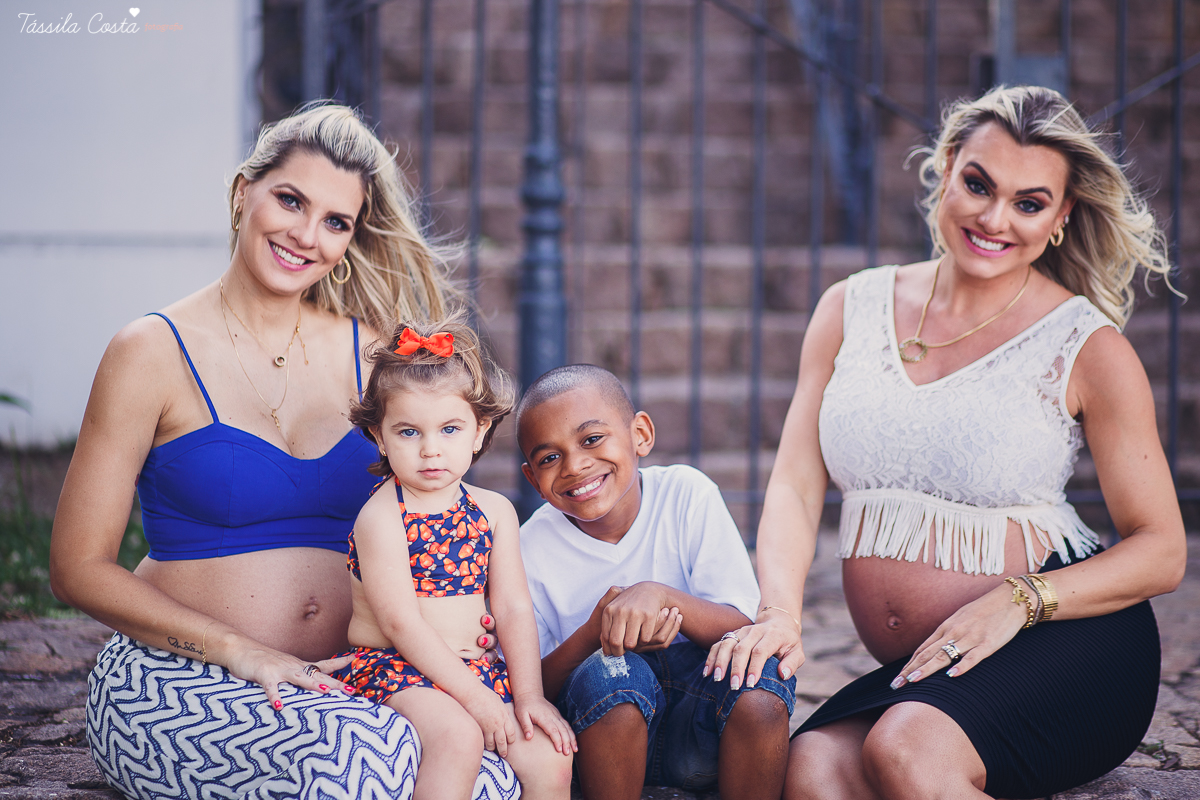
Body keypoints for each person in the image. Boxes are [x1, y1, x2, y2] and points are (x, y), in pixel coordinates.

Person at [706, 85, 1186, 799]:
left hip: (1069, 642)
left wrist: (1018, 599)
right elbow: (796, 483)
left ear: (1060, 218)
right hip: (936, 672)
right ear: (946, 168)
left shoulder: (1086, 346)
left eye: (1029, 202)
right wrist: (779, 612)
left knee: (905, 750)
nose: (995, 218)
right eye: (978, 184)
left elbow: (1162, 549)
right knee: (812, 772)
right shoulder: (850, 308)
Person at [49, 104, 520, 799]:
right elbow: (75, 569)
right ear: (245, 193)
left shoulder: (375, 355)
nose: (306, 235)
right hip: (182, 675)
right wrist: (239, 649)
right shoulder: (149, 351)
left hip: (355, 674)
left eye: (336, 222)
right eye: (290, 200)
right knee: (358, 769)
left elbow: (439, 499)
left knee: (496, 773)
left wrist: (454, 617)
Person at [515, 364, 797, 800]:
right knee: (614, 673)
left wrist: (666, 599)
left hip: (704, 728)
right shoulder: (529, 546)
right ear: (533, 479)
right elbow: (531, 689)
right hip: (602, 737)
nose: (575, 465)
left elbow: (742, 625)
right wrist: (596, 632)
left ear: (641, 434)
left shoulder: (687, 494)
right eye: (549, 457)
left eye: (592, 439)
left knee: (761, 675)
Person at [332, 316, 574, 799]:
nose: (430, 450)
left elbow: (512, 608)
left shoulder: (494, 511)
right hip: (396, 668)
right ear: (379, 436)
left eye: (449, 428)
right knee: (458, 737)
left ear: (480, 430)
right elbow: (401, 624)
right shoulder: (382, 517)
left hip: (479, 671)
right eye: (407, 432)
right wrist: (478, 700)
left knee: (550, 754)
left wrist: (527, 696)